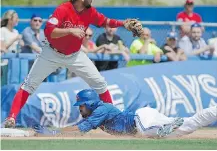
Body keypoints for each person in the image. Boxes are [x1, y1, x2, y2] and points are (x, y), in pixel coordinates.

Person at [4, 0, 138, 128]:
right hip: (51, 53)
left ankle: (111, 119)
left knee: (100, 83)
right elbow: (49, 31)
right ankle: (11, 118)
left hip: (75, 55)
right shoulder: (63, 9)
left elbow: (105, 21)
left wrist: (123, 23)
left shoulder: (90, 11)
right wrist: (70, 31)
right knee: (29, 85)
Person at [33, 89, 217, 139]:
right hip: (146, 120)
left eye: (80, 106)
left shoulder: (101, 109)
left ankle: (163, 128)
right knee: (192, 124)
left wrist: (55, 132)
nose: (79, 109)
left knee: (146, 132)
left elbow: (81, 129)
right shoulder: (97, 112)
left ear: (88, 103)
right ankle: (166, 128)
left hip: (142, 120)